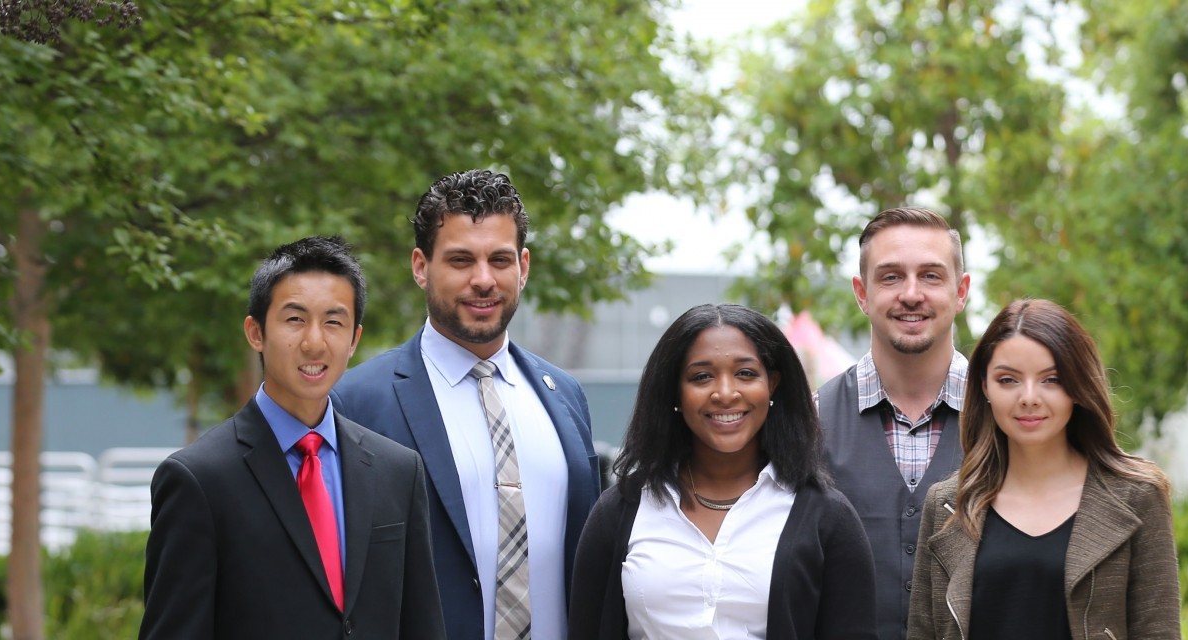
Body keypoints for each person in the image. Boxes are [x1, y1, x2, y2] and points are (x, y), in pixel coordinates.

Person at [333, 170, 598, 640]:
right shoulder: (356, 403)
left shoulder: (565, 395)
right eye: (460, 260)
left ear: (523, 267)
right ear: (420, 266)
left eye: (500, 259)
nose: (483, 280)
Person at [140, 236, 443, 639]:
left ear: (354, 339)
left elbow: (421, 625)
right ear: (256, 332)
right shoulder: (199, 480)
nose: (314, 342)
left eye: (333, 322)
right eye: (295, 319)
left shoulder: (398, 471)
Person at [570, 304, 877, 640]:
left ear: (772, 384)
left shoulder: (828, 517)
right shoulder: (619, 511)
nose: (726, 393)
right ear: (675, 391)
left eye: (745, 373)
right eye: (701, 376)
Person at [908, 299, 1180, 640]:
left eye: (1051, 379)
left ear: (1078, 386)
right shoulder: (948, 505)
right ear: (984, 386)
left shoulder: (1137, 497)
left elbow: (1158, 631)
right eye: (1008, 379)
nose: (1029, 397)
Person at [814, 207, 971, 640]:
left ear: (961, 292)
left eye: (931, 276)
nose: (911, 294)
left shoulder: (1006, 416)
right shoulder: (810, 419)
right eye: (891, 277)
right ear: (861, 293)